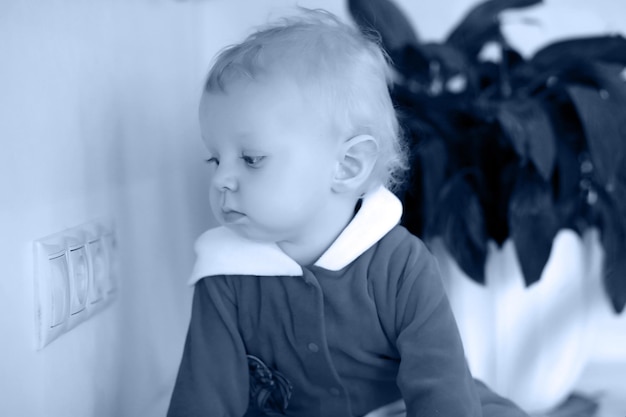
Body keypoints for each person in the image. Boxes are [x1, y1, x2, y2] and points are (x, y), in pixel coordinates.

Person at [168, 8, 527, 417]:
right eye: (215, 160)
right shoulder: (223, 273)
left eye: (251, 159)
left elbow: (442, 392)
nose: (222, 180)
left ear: (348, 166)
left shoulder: (401, 265)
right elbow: (204, 398)